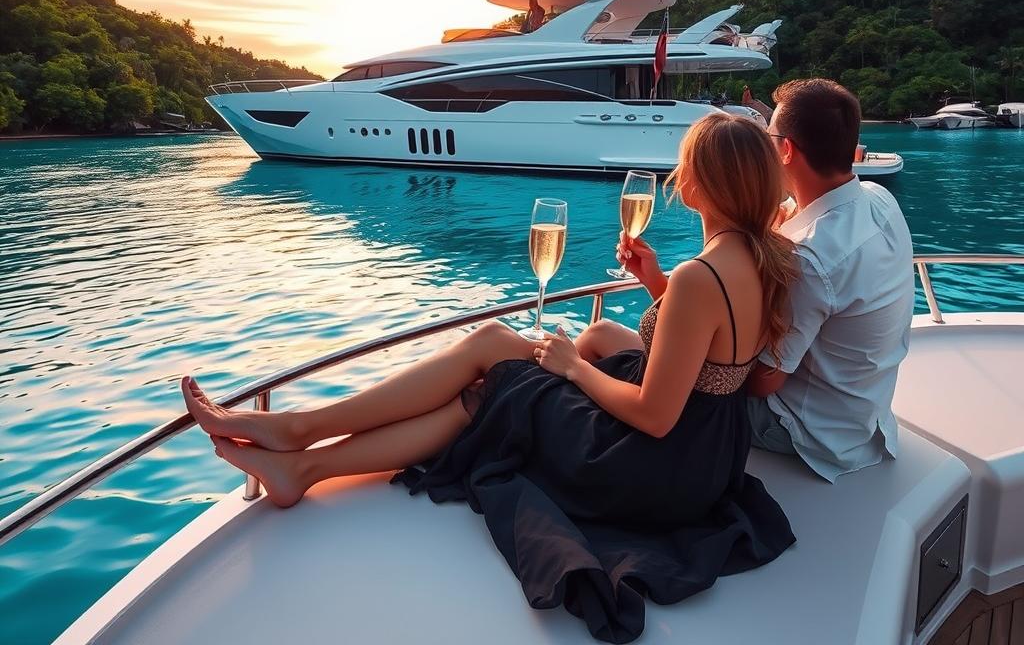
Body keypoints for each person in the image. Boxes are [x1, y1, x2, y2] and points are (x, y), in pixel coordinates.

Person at [181, 113, 798, 643]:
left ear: (701, 184)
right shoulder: (766, 256)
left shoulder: (702, 276)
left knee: (493, 359)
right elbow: (723, 358)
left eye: (683, 164)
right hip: (709, 454)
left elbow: (655, 416)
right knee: (518, 368)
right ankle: (300, 456)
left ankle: (298, 435)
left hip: (651, 467)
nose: (675, 176)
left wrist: (574, 368)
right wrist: (654, 286)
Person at [746, 79, 914, 480]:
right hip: (864, 416)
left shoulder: (810, 259)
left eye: (770, 135)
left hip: (806, 431)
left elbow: (764, 383)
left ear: (786, 149)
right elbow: (799, 212)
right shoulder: (878, 198)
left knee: (680, 388)